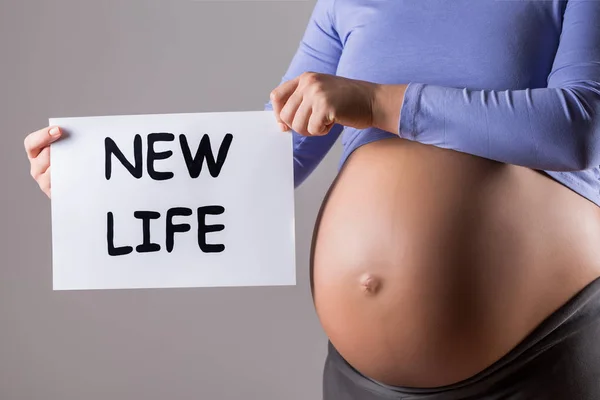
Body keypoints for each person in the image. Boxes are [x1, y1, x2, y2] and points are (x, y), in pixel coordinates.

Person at [25, 0, 600, 398]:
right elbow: (268, 156)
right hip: (363, 380)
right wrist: (100, 186)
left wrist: (377, 103)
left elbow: (574, 127)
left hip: (544, 349)